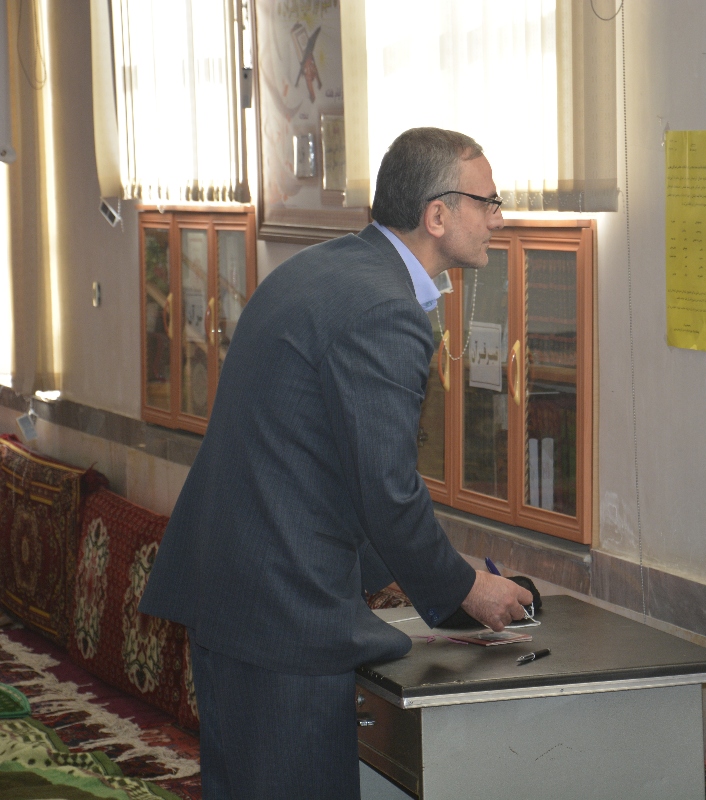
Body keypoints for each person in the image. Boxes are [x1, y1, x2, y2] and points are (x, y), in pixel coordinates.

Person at [139, 127, 532, 799]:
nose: (499, 219)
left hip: (234, 592)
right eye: (488, 202)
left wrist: (427, 571)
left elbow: (324, 465)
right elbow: (386, 488)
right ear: (438, 215)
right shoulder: (386, 309)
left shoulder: (326, 267)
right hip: (282, 616)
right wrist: (465, 591)